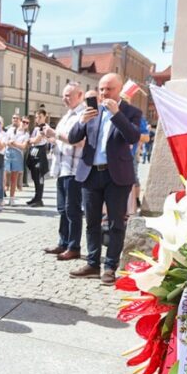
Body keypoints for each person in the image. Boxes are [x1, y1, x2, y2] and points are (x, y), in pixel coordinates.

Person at [66, 73, 143, 285]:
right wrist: (82, 122)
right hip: (91, 173)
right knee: (91, 222)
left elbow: (133, 137)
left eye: (108, 89)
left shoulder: (131, 112)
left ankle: (110, 267)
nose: (103, 93)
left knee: (116, 223)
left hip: (116, 175)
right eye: (101, 89)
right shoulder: (92, 112)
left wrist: (117, 114)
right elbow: (73, 138)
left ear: (119, 90)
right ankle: (92, 264)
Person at [44, 83, 84, 260]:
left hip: (74, 169)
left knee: (72, 210)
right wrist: (52, 139)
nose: (64, 99)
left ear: (80, 95)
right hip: (62, 168)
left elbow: (80, 141)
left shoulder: (83, 115)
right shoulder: (67, 115)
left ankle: (74, 246)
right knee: (62, 209)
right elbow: (61, 140)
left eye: (68, 95)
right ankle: (63, 242)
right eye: (64, 95)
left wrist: (56, 135)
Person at [26, 109, 52, 206]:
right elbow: (32, 140)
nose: (38, 119)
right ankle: (36, 196)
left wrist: (30, 140)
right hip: (34, 152)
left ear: (45, 117)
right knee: (34, 176)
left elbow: (36, 140)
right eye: (37, 117)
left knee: (39, 176)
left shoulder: (45, 128)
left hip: (40, 152)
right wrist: (31, 140)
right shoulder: (36, 128)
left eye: (40, 117)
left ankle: (39, 199)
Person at [3, 114, 29, 207]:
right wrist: (13, 144)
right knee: (4, 175)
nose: (25, 124)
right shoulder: (11, 130)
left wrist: (13, 143)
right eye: (24, 121)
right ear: (20, 121)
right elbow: (5, 142)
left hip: (18, 155)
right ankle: (1, 197)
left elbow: (23, 146)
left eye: (27, 123)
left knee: (14, 178)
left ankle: (12, 199)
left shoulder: (26, 134)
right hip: (8, 153)